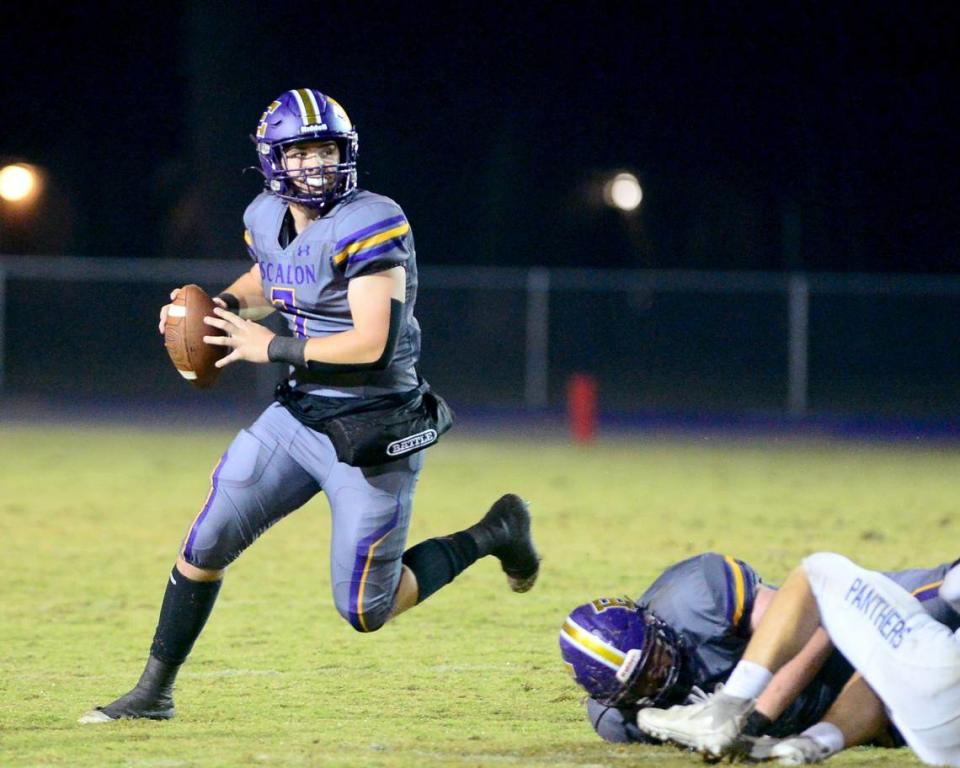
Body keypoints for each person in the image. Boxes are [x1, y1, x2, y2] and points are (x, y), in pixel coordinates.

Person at [79, 88, 540, 723]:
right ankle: (153, 693)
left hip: (374, 423)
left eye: (325, 149)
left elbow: (371, 343)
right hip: (301, 414)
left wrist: (270, 346)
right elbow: (271, 277)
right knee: (207, 538)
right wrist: (223, 311)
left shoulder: (373, 220)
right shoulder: (266, 216)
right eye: (301, 152)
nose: (315, 165)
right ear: (275, 160)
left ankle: (495, 533)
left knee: (365, 611)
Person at [559, 552, 959, 747]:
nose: (661, 676)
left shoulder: (696, 595)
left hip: (857, 629)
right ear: (615, 698)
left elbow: (818, 620)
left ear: (654, 624)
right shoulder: (617, 722)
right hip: (855, 713)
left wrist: (753, 716)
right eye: (644, 681)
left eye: (655, 660)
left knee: (946, 596)